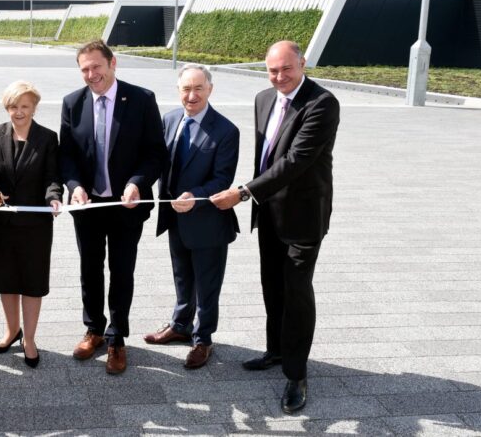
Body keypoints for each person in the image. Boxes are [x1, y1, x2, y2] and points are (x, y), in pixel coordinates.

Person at [211, 40, 340, 414]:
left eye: (286, 69)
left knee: (297, 289)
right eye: (272, 70)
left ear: (302, 64)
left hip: (303, 215)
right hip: (268, 211)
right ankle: (276, 350)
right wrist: (254, 195)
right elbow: (264, 156)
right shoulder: (263, 98)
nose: (279, 77)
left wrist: (243, 192)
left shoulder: (322, 103)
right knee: (273, 284)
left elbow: (296, 160)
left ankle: (296, 374)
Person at [60, 39, 167, 375]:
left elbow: (155, 153)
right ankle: (93, 330)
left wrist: (137, 181)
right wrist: (75, 187)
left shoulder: (141, 99)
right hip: (88, 206)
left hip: (126, 205)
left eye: (96, 67)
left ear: (112, 63)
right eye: (85, 69)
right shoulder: (72, 103)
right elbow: (67, 156)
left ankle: (117, 337)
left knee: (121, 270)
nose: (92, 74)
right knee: (89, 269)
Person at [144, 65, 239, 369]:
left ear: (210, 89)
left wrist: (193, 197)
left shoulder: (226, 131)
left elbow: (222, 180)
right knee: (182, 277)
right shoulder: (170, 119)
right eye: (186, 88)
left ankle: (203, 339)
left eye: (198, 88)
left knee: (207, 284)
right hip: (175, 219)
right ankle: (180, 325)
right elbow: (158, 161)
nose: (192, 95)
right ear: (178, 90)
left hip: (207, 221)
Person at [0, 81, 62, 368]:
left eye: (25, 106)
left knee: (32, 282)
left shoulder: (48, 138)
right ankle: (12, 331)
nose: (19, 111)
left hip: (36, 224)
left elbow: (52, 176)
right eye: (14, 106)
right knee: (6, 280)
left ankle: (31, 339)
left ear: (34, 108)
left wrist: (54, 198)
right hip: (2, 223)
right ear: (6, 108)